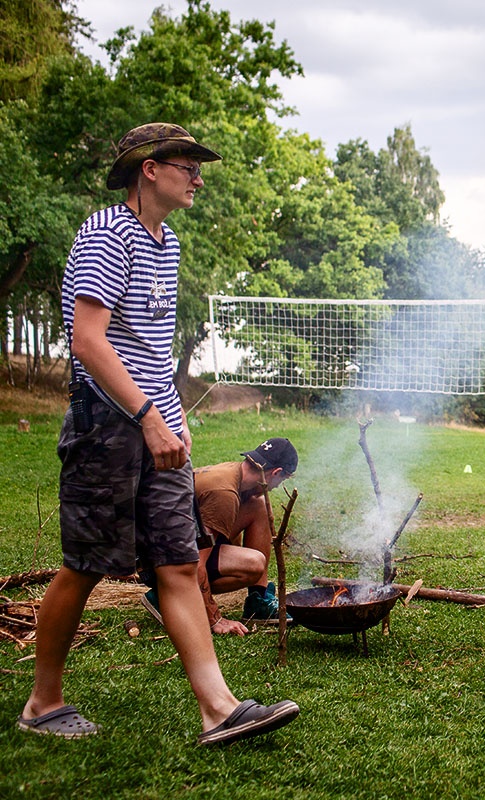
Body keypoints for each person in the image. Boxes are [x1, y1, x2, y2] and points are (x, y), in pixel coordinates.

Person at [18, 123, 299, 745]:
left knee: (176, 563)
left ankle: (218, 710)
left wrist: (174, 416)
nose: (198, 178)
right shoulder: (106, 234)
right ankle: (43, 702)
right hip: (107, 430)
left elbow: (150, 347)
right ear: (149, 169)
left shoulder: (165, 243)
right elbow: (89, 342)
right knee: (85, 566)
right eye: (188, 166)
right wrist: (147, 416)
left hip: (159, 429)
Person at [141, 438, 299, 635]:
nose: (276, 487)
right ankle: (170, 595)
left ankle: (258, 601)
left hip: (172, 544)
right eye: (282, 480)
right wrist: (215, 618)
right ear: (276, 473)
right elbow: (197, 563)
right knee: (254, 565)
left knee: (258, 505)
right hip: (160, 563)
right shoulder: (225, 494)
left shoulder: (235, 473)